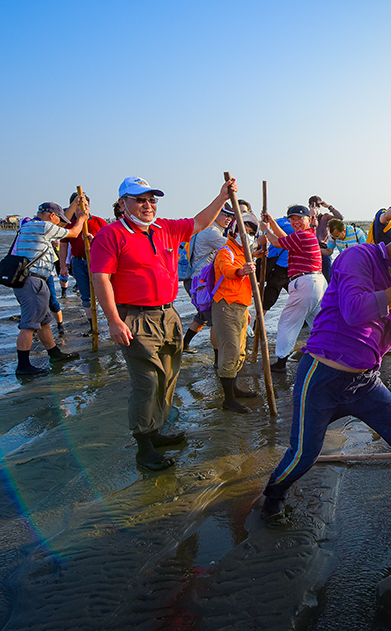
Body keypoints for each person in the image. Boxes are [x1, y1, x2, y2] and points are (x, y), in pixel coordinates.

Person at [258, 204, 391, 521]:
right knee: (305, 453)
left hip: (366, 382)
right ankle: (272, 497)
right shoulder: (358, 256)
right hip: (322, 376)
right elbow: (356, 311)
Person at [90, 176, 236, 471]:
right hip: (134, 317)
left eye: (152, 200)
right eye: (140, 200)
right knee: (146, 382)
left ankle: (155, 431)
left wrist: (222, 197)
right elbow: (101, 278)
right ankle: (144, 447)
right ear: (123, 204)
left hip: (167, 314)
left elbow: (199, 222)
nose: (148, 205)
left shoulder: (165, 228)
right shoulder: (111, 235)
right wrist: (114, 321)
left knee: (168, 378)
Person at [10, 200, 88, 377]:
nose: (58, 222)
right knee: (29, 325)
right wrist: (82, 218)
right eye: (57, 218)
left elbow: (62, 223)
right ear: (51, 216)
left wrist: (75, 204)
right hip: (33, 281)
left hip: (32, 281)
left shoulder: (30, 226)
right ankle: (23, 366)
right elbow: (73, 232)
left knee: (44, 321)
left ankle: (54, 353)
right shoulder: (44, 227)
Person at [261, 204, 327, 371]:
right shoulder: (305, 235)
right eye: (293, 219)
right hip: (316, 283)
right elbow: (283, 239)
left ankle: (281, 361)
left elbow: (276, 241)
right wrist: (271, 223)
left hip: (306, 284)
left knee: (287, 323)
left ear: (308, 219)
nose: (296, 222)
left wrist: (265, 230)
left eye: (300, 218)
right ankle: (330, 355)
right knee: (319, 323)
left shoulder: (303, 236)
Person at [212, 211, 262, 412]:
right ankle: (228, 400)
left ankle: (235, 389)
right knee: (230, 350)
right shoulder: (226, 251)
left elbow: (245, 262)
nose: (247, 235)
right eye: (243, 231)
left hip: (241, 306)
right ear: (233, 232)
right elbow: (228, 270)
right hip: (226, 305)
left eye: (250, 232)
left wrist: (255, 256)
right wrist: (242, 271)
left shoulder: (243, 252)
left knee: (240, 350)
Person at [181, 205, 231, 352]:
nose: (228, 219)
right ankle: (218, 358)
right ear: (216, 214)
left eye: (231, 216)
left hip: (196, 280)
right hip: (199, 283)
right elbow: (233, 247)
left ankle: (184, 344)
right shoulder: (212, 232)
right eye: (224, 215)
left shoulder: (212, 229)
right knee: (215, 321)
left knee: (202, 315)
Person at [59, 192, 106, 309]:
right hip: (78, 262)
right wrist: (62, 266)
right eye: (79, 205)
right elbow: (63, 246)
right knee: (86, 296)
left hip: (96, 262)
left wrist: (94, 240)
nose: (84, 208)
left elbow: (108, 244)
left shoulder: (98, 222)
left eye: (86, 205)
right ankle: (91, 323)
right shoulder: (69, 224)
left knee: (103, 292)